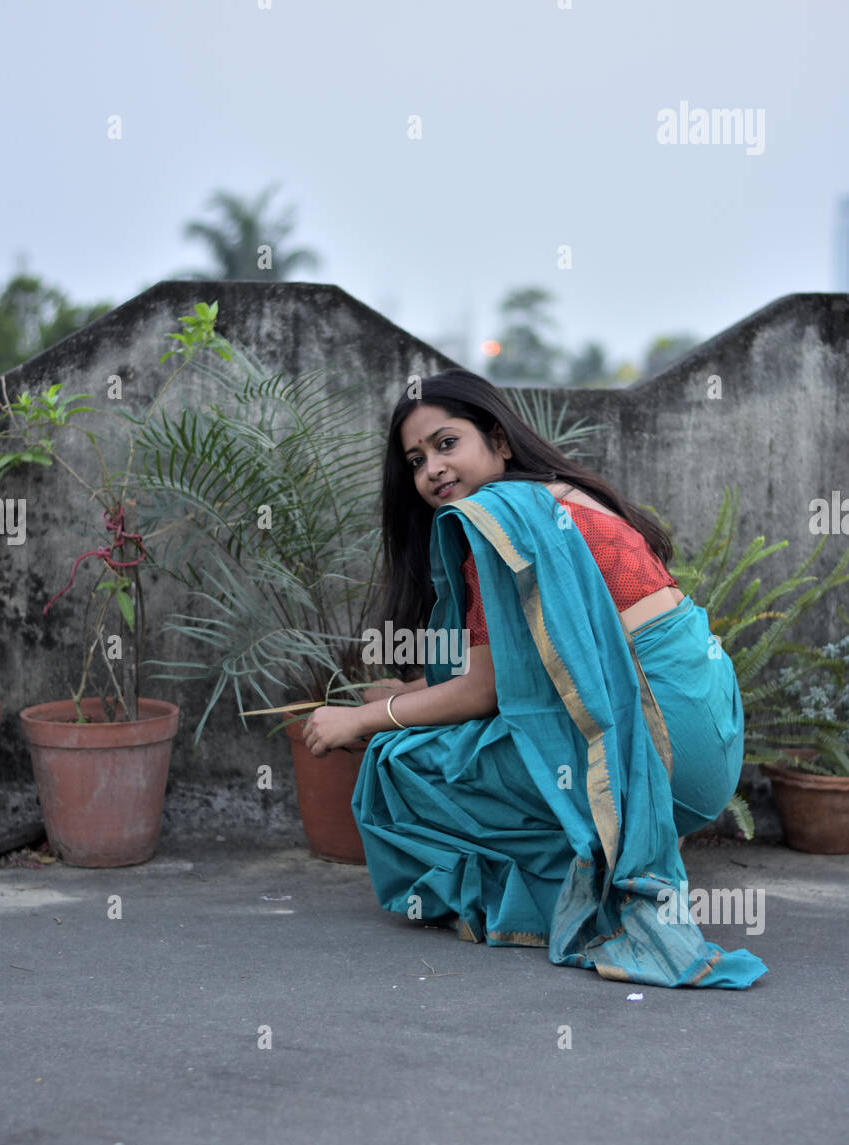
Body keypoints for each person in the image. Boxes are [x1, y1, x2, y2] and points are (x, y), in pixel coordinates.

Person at [302, 369, 767, 989]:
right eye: (416, 460)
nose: (432, 470)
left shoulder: (501, 518)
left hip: (660, 744)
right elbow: (526, 670)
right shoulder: (558, 494)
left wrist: (362, 719)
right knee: (453, 732)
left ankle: (580, 884)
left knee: (401, 763)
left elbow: (483, 692)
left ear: (498, 440)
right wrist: (406, 694)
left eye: (446, 444)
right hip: (709, 736)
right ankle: (625, 838)